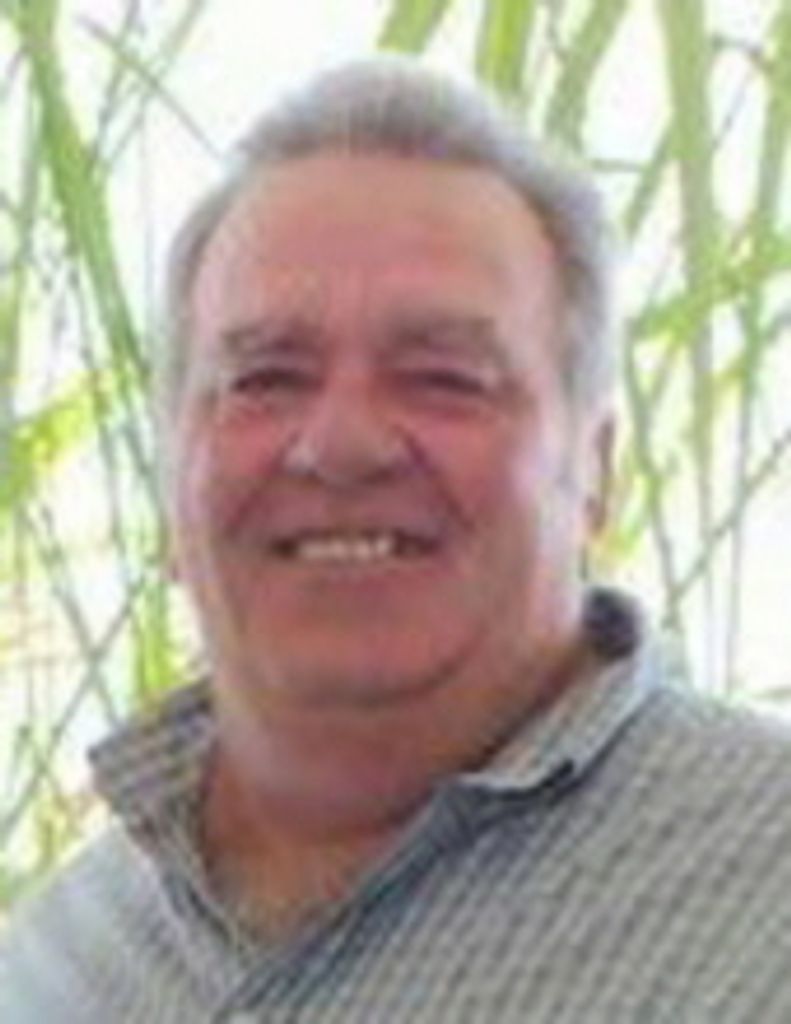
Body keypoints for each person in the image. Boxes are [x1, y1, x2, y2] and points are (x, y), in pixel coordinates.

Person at [4, 57, 791, 1024]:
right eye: (267, 378)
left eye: (442, 378)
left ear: (594, 469)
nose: (341, 446)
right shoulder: (55, 966)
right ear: (172, 477)